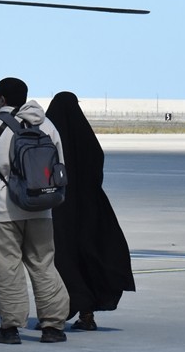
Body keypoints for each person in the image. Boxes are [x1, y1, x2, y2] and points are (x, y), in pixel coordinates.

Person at [0, 77, 70, 344]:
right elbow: (58, 164)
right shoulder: (46, 125)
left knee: (8, 267)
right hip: (40, 208)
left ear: (0, 98)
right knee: (44, 264)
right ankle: (53, 326)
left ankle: (11, 328)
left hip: (2, 210)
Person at [46, 91, 136, 330]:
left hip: (60, 209)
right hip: (89, 207)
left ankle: (57, 314)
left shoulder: (50, 136)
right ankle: (86, 314)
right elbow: (97, 164)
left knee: (60, 260)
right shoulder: (87, 139)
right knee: (88, 256)